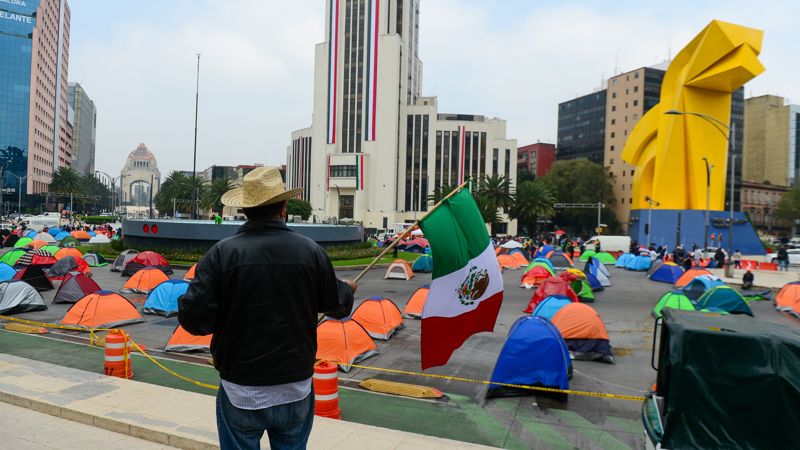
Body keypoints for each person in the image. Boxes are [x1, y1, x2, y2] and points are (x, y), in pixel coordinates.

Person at [178, 167, 357, 450]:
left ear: (245, 210)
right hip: (295, 387)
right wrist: (347, 290)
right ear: (283, 208)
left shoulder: (222, 254)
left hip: (241, 389)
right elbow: (337, 305)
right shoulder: (311, 252)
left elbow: (193, 320)